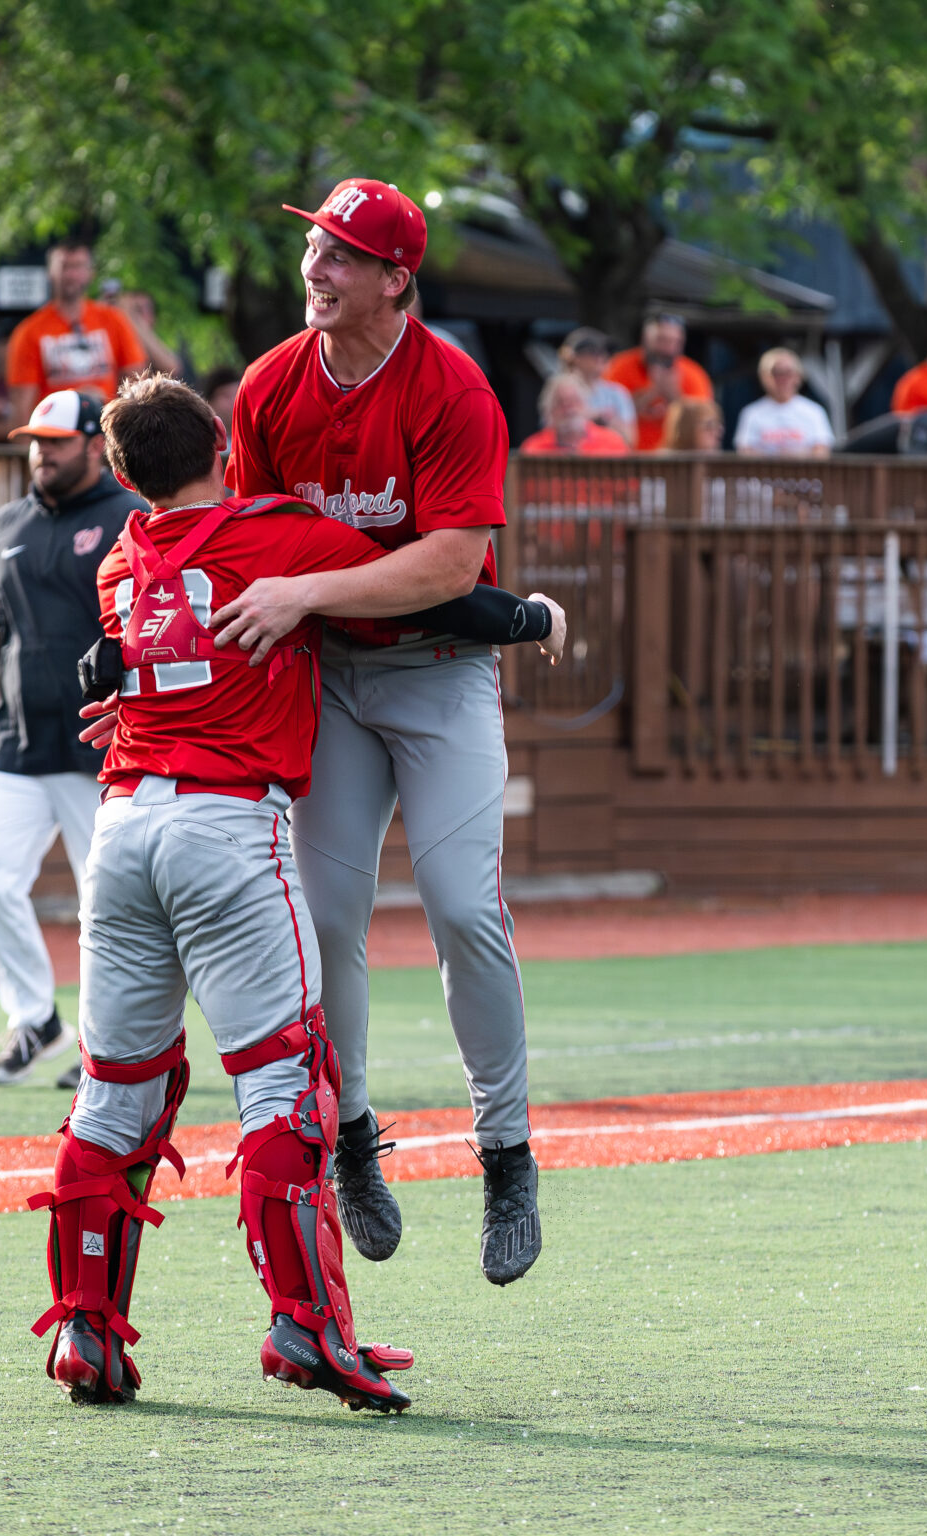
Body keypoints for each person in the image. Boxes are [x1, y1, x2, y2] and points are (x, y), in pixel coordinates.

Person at [32, 372, 413, 1413]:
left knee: (116, 1091)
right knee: (287, 1083)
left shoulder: (119, 556)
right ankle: (307, 1329)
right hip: (228, 824)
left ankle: (85, 1335)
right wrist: (519, 613)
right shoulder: (278, 532)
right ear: (223, 446)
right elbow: (408, 582)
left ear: (118, 474)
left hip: (119, 831)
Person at [212, 177, 567, 1289]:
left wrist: (312, 595)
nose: (315, 269)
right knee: (324, 916)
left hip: (440, 674)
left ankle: (504, 1152)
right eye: (314, 247)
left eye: (340, 255)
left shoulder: (452, 388)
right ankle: (354, 1137)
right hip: (330, 680)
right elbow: (251, 541)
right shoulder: (270, 383)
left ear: (394, 279)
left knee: (464, 905)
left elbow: (452, 568)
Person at [0, 389, 142, 1086]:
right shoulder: (3, 522)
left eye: (56, 441)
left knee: (108, 899)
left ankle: (109, 1039)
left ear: (96, 445)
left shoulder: (132, 518)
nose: (41, 453)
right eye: (35, 441)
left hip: (104, 741)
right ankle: (34, 1018)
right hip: (15, 742)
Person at [6, 244, 147, 426]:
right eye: (64, 266)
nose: (71, 275)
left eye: (78, 266)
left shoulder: (113, 320)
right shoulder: (29, 331)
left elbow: (137, 384)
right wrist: (74, 399)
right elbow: (21, 407)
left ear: (90, 272)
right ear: (50, 272)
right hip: (56, 433)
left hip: (107, 430)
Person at [603, 311, 714, 452]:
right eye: (661, 340)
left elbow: (704, 422)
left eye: (674, 342)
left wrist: (673, 396)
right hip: (629, 457)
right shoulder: (619, 366)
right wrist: (651, 393)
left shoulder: (694, 374)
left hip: (677, 459)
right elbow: (606, 415)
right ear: (645, 338)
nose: (667, 349)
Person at [734, 349, 834, 457]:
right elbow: (744, 452)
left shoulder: (814, 411)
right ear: (764, 377)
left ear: (798, 376)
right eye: (776, 373)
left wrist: (790, 457)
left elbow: (822, 452)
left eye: (788, 373)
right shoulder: (751, 413)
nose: (783, 379)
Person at [558, 327, 636, 447]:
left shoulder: (617, 393)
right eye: (592, 351)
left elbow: (630, 441)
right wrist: (592, 417)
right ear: (573, 356)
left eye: (604, 352)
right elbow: (550, 433)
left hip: (608, 460)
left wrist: (605, 420)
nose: (601, 357)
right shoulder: (560, 391)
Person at [519, 373, 631, 455]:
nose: (569, 408)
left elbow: (628, 484)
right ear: (549, 412)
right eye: (560, 402)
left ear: (586, 406)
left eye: (574, 401)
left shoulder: (613, 443)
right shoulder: (533, 448)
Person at [199, 365, 241, 450]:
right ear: (209, 403)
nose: (234, 401)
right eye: (226, 395)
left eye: (237, 394)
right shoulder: (204, 446)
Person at [660, 398, 725, 451]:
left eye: (718, 424)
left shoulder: (717, 463)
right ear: (686, 429)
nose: (719, 431)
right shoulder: (662, 464)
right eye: (709, 425)